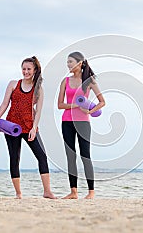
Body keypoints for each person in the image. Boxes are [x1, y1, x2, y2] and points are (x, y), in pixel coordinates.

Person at [0, 56, 56, 199]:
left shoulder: (38, 89)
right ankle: (18, 193)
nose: (26, 72)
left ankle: (47, 191)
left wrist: (34, 127)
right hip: (12, 127)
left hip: (29, 127)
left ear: (34, 70)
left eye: (29, 69)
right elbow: (5, 104)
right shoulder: (13, 84)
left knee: (42, 156)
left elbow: (39, 111)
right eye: (24, 69)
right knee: (14, 158)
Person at [57, 51, 105, 199]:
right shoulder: (65, 81)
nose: (68, 65)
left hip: (83, 122)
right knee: (70, 156)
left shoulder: (89, 81)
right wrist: (74, 105)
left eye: (70, 62)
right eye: (67, 62)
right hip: (67, 122)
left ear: (80, 63)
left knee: (85, 156)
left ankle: (91, 192)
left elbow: (102, 101)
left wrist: (90, 111)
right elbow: (60, 105)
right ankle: (74, 192)